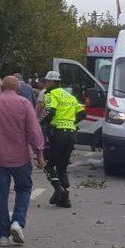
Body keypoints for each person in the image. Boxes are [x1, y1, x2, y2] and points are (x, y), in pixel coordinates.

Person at [0, 76, 46, 246]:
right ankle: (17, 222)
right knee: (24, 188)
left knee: (0, 195)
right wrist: (39, 154)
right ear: (18, 89)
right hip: (21, 158)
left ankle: (3, 236)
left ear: (1, 88)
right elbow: (34, 131)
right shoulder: (24, 103)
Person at [40, 70, 82, 208]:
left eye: (46, 81)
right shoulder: (70, 96)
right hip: (71, 133)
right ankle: (66, 199)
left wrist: (39, 123)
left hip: (57, 133)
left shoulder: (51, 94)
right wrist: (71, 123)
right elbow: (83, 113)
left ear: (52, 82)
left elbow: (50, 112)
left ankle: (59, 189)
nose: (45, 84)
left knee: (48, 163)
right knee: (62, 167)